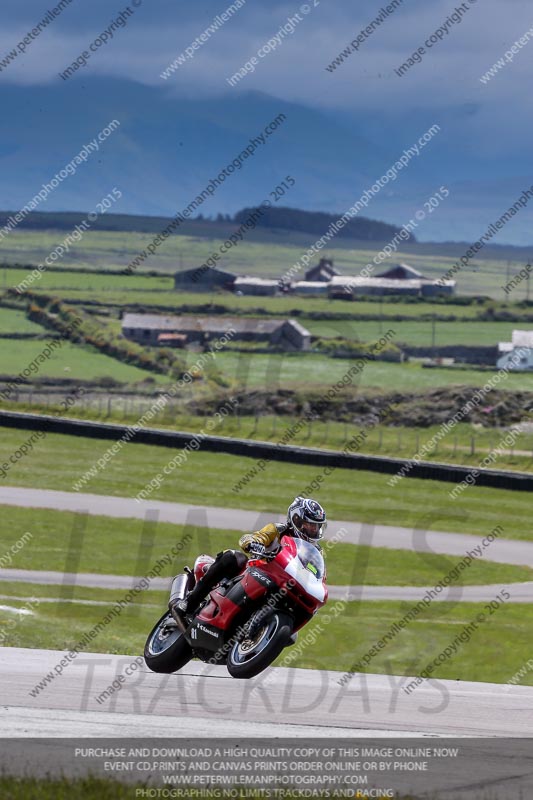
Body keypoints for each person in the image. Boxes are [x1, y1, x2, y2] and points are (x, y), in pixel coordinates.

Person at [170, 496, 326, 624]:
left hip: (283, 582)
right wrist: (253, 544)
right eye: (310, 525)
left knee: (291, 637)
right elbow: (255, 537)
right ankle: (188, 604)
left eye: (316, 526)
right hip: (256, 571)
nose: (314, 530)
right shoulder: (278, 530)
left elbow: (318, 574)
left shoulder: (316, 551)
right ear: (297, 520)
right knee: (233, 557)